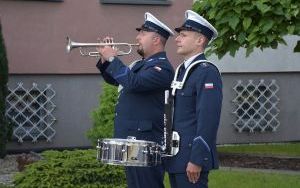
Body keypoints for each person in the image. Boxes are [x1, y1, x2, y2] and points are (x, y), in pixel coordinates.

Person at [96, 12, 174, 188]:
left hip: (145, 141)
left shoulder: (162, 68)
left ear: (156, 40)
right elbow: (116, 80)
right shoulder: (141, 65)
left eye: (142, 34)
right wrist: (105, 60)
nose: (137, 37)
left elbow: (134, 83)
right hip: (134, 140)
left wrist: (112, 58)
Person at [164, 10, 223, 188]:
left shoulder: (206, 71)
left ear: (200, 40)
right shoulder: (183, 70)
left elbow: (208, 119)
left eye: (183, 35)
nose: (177, 39)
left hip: (191, 159)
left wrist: (197, 159)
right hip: (177, 157)